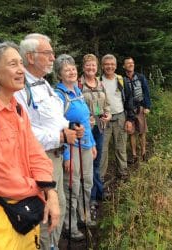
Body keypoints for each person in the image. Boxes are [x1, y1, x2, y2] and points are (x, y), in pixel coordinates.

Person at [0, 40, 60, 249]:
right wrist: (38, 188)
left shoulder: (18, 109)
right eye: (12, 64)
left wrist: (50, 190)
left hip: (26, 211)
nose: (21, 70)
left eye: (21, 63)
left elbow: (36, 153)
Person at [14, 33, 84, 249]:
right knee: (46, 210)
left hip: (56, 154)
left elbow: (53, 119)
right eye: (48, 53)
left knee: (59, 205)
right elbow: (22, 133)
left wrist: (68, 128)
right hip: (40, 159)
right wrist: (60, 136)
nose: (53, 58)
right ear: (31, 57)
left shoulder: (43, 84)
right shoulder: (20, 89)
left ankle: (53, 245)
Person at [54, 54, 97, 241]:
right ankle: (70, 225)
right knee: (72, 186)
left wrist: (93, 143)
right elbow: (58, 127)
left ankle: (84, 216)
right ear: (59, 74)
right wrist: (66, 157)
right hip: (71, 149)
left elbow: (86, 121)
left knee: (87, 183)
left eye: (73, 68)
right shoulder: (58, 95)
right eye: (66, 69)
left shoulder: (78, 91)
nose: (71, 71)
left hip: (86, 145)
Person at [78, 54, 111, 208]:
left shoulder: (101, 84)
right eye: (88, 65)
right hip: (86, 130)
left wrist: (108, 114)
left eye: (93, 65)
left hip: (100, 127)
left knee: (96, 161)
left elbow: (107, 104)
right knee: (88, 162)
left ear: (97, 67)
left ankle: (97, 192)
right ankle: (91, 196)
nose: (91, 68)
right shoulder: (78, 85)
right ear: (83, 67)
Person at [99, 54, 128, 182]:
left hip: (120, 117)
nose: (109, 66)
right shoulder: (97, 81)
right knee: (102, 150)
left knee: (121, 147)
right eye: (106, 64)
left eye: (112, 64)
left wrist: (130, 119)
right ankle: (101, 178)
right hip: (103, 119)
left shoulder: (121, 79)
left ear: (115, 66)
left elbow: (128, 99)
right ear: (102, 66)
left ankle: (123, 172)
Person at [123, 57, 151, 163]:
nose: (130, 65)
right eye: (128, 63)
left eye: (132, 63)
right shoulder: (122, 79)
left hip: (140, 107)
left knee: (142, 131)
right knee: (131, 132)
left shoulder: (140, 77)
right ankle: (134, 155)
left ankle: (143, 153)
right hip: (128, 109)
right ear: (124, 66)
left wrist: (147, 106)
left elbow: (146, 92)